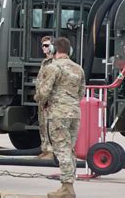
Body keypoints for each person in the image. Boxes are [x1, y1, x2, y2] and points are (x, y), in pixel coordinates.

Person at [34, 37, 85, 198]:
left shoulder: (53, 68)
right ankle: (69, 185)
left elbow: (43, 92)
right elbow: (81, 93)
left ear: (54, 50)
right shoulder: (79, 69)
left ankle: (67, 188)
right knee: (69, 149)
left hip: (58, 114)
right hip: (75, 113)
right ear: (70, 51)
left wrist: (41, 102)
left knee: (61, 149)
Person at [35, 35, 54, 160]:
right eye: (43, 45)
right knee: (42, 124)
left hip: (50, 100)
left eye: (46, 45)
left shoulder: (54, 62)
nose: (44, 48)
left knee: (50, 125)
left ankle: (51, 151)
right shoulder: (45, 62)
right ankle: (45, 149)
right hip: (42, 99)